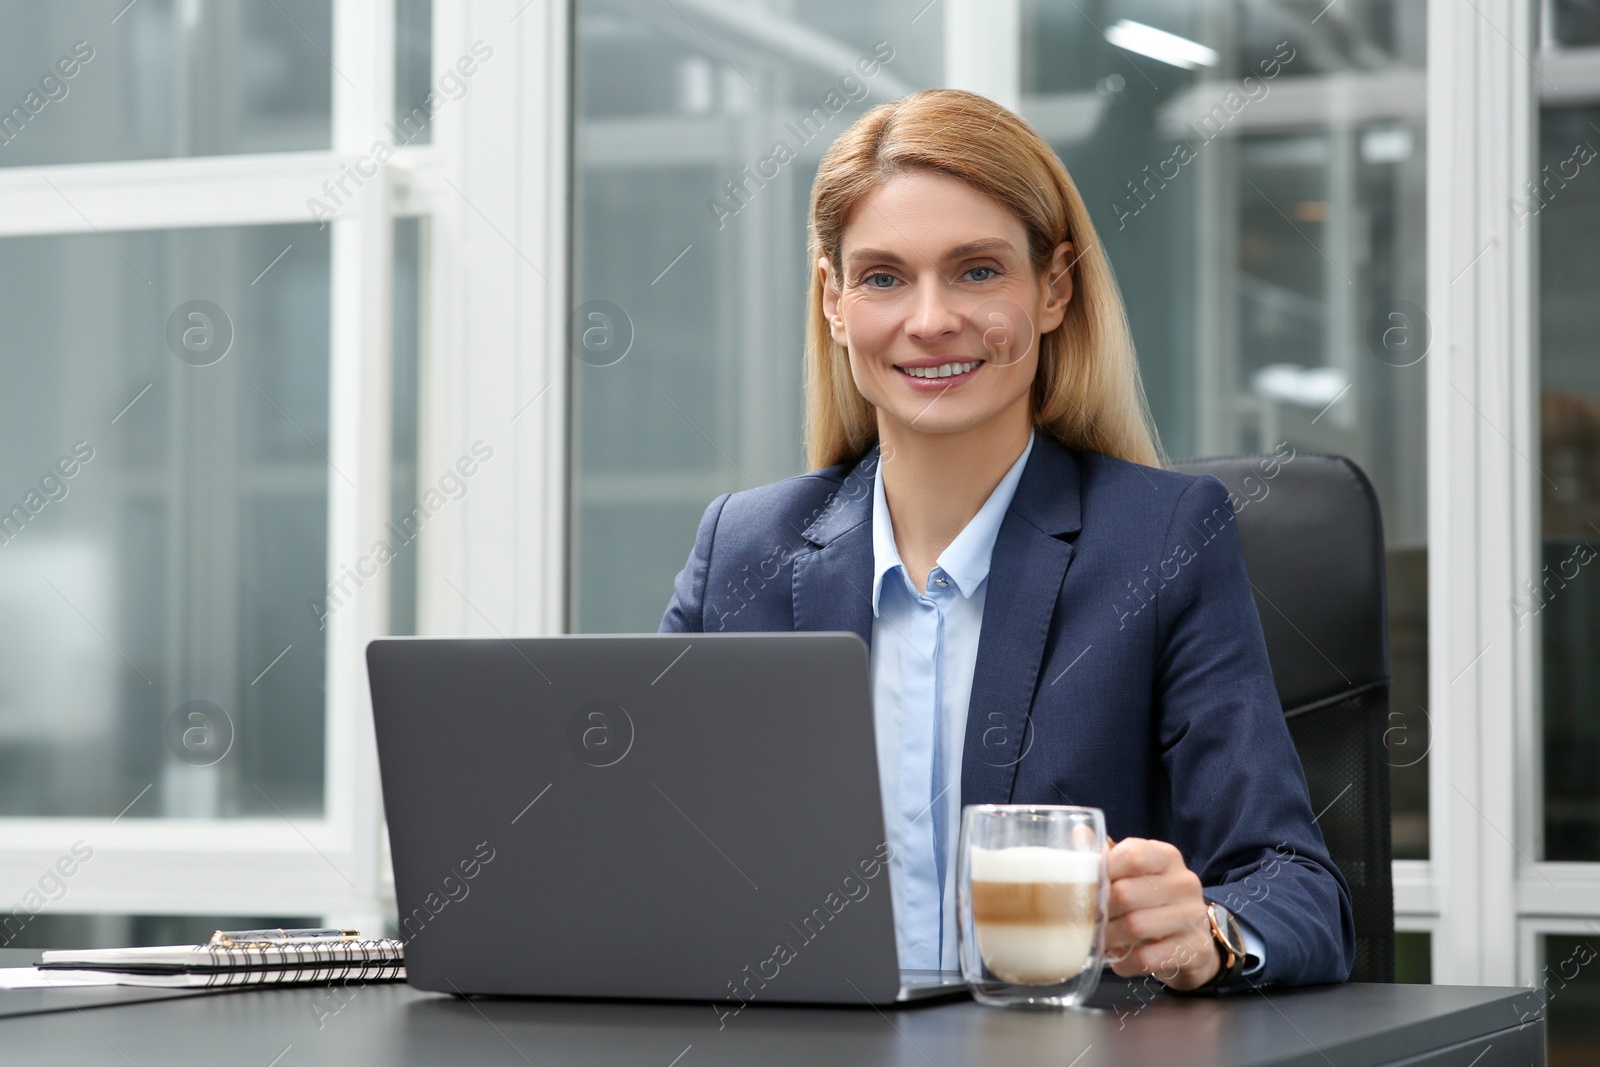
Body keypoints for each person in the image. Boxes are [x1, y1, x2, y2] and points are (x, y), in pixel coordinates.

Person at [660, 88, 1353, 993]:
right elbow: (644, 856)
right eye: (882, 277)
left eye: (978, 270)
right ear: (833, 302)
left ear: (1055, 287)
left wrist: (1208, 927)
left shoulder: (1163, 540)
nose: (931, 318)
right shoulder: (741, 549)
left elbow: (1299, 890)